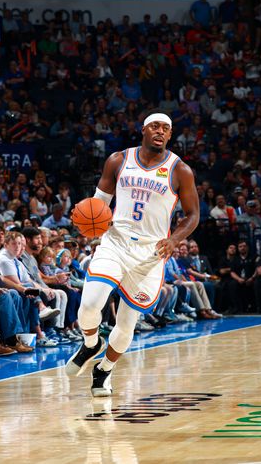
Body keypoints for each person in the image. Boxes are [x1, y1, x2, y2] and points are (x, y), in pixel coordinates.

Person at [65, 113, 200, 397]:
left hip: (150, 254)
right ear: (143, 130)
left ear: (170, 134)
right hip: (116, 242)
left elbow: (193, 215)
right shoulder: (118, 160)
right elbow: (98, 205)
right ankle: (91, 344)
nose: (160, 131)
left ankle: (104, 370)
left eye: (165, 128)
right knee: (89, 305)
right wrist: (90, 220)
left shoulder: (180, 170)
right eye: (155, 126)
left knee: (126, 324)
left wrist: (174, 239)